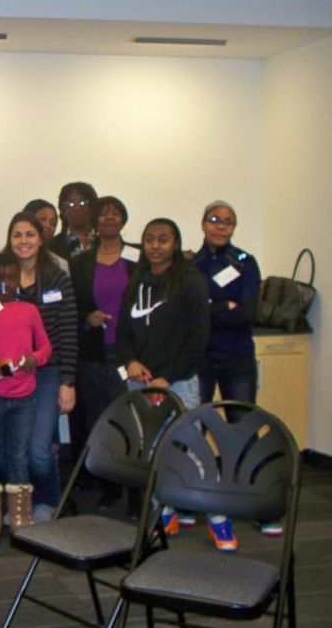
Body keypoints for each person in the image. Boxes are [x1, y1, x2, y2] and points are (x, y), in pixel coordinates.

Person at [115, 219, 223, 549]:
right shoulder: (138, 280)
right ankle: (165, 512)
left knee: (192, 451)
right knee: (153, 454)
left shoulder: (190, 281)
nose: (155, 246)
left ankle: (220, 518)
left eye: (163, 240)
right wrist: (130, 362)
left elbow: (197, 339)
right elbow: (123, 332)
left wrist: (169, 376)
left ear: (175, 243)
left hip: (179, 383)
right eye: (149, 240)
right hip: (142, 383)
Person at [193, 201, 276, 540]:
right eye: (215, 219)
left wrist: (213, 309)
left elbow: (246, 312)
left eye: (228, 221)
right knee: (194, 426)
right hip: (200, 356)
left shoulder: (245, 262)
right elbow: (192, 310)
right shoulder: (190, 264)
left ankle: (260, 507)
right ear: (203, 224)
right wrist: (221, 306)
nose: (221, 226)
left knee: (242, 427)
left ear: (234, 227)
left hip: (238, 356)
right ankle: (190, 502)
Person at [1, 212, 77, 522]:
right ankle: (21, 504)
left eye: (29, 234)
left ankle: (49, 499)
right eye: (17, 235)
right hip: (10, 375)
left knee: (39, 450)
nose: (23, 241)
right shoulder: (2, 276)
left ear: (41, 238)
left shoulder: (57, 277)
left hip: (48, 374)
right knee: (12, 446)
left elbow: (69, 330)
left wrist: (68, 381)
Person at [0, 250, 51, 544]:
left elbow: (45, 346)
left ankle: (20, 514)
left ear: (19, 279)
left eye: (11, 277)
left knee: (19, 453)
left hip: (23, 395)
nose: (5, 283)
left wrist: (35, 358)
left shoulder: (29, 310)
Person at [69, 196, 137, 506]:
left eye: (115, 214)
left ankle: (136, 486)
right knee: (101, 420)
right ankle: (109, 486)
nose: (109, 218)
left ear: (123, 219)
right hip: (94, 352)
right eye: (103, 214)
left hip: (130, 353)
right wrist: (87, 316)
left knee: (134, 420)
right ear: (95, 221)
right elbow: (76, 302)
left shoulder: (138, 256)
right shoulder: (81, 261)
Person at [49, 182, 98, 262]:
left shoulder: (104, 243)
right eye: (71, 204)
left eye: (82, 203)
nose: (76, 208)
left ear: (93, 207)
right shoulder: (51, 247)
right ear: (63, 210)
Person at [24, 199, 69, 274]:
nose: (48, 226)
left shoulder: (60, 264)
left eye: (52, 223)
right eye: (42, 219)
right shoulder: (3, 260)